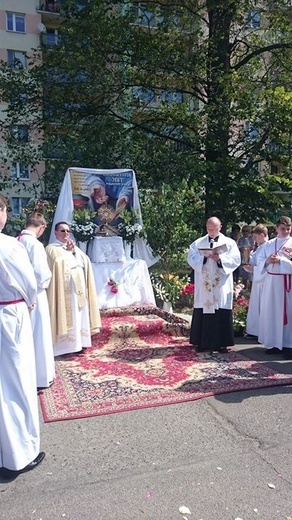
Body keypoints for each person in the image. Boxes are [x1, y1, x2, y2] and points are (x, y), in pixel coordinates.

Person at [0, 194, 45, 481]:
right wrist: (28, 302)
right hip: (9, 316)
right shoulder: (9, 246)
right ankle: (18, 455)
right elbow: (30, 283)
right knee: (16, 384)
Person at [46, 221, 101, 356]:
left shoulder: (72, 247)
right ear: (56, 233)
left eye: (68, 231)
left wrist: (74, 252)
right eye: (62, 231)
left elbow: (85, 261)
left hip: (78, 290)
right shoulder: (51, 249)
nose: (66, 234)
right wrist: (69, 254)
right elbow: (57, 265)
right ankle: (65, 347)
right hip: (64, 291)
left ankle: (80, 343)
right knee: (67, 316)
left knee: (79, 315)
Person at [187, 216, 241, 353]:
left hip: (220, 283)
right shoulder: (198, 243)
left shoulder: (229, 243)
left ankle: (222, 343)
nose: (211, 232)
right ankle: (202, 342)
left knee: (220, 309)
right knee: (204, 310)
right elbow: (191, 259)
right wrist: (203, 258)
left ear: (220, 227)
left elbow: (236, 260)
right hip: (205, 283)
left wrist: (220, 259)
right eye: (209, 229)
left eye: (214, 229)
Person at [18, 212, 55, 388]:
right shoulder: (35, 244)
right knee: (39, 335)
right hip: (37, 294)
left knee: (25, 336)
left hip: (19, 296)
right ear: (41, 227)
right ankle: (41, 376)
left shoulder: (15, 241)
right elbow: (42, 274)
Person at [257, 216, 292, 359]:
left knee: (288, 313)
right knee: (271, 312)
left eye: (288, 229)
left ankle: (288, 344)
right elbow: (258, 261)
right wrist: (267, 261)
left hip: (287, 284)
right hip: (271, 282)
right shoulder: (269, 244)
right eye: (282, 228)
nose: (285, 231)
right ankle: (274, 343)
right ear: (276, 228)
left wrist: (282, 261)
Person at [245, 224, 268, 338]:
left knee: (262, 307)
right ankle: (254, 331)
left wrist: (255, 268)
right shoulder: (259, 247)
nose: (254, 239)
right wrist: (249, 265)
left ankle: (261, 331)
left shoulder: (268, 246)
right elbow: (255, 262)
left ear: (262, 235)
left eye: (255, 237)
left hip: (265, 282)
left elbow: (266, 265)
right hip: (257, 280)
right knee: (255, 307)